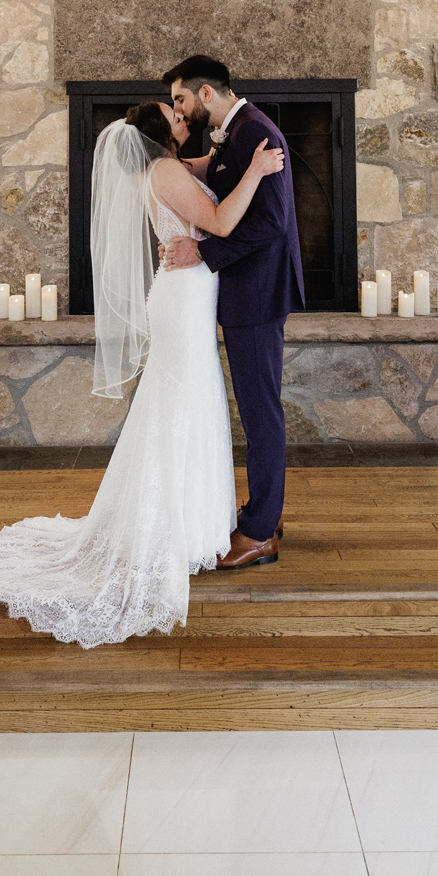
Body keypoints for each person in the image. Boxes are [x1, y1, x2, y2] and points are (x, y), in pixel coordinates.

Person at [0, 102, 285, 644]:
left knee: (188, 400)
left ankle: (197, 523)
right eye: (175, 114)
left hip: (189, 294)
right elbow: (223, 221)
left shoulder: (167, 170)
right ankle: (173, 529)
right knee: (182, 401)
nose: (185, 115)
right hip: (184, 300)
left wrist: (230, 154)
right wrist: (255, 171)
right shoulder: (164, 173)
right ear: (162, 135)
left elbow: (205, 168)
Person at [166, 55, 303, 571]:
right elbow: (219, 176)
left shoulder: (255, 134)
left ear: (205, 94)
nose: (179, 108)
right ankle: (267, 511)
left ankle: (260, 531)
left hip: (257, 294)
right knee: (257, 407)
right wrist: (172, 164)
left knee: (260, 410)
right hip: (248, 292)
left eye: (181, 98)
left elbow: (270, 221)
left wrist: (203, 253)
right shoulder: (234, 131)